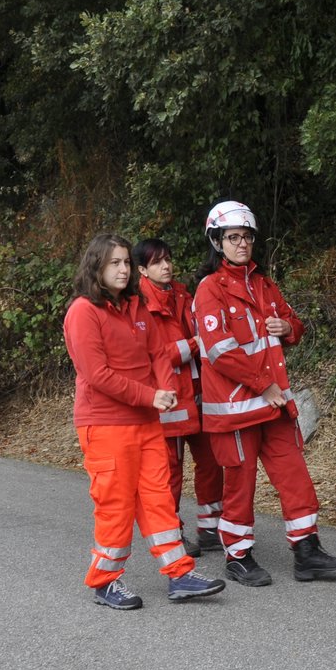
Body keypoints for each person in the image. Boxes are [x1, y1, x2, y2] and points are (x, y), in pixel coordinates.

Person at [62, 232, 226, 610]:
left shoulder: (136, 305)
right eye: (113, 263)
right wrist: (150, 395)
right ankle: (105, 581)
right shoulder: (83, 312)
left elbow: (158, 354)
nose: (122, 269)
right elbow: (97, 374)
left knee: (159, 499)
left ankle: (180, 574)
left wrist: (166, 390)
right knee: (115, 504)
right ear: (96, 267)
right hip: (105, 424)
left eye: (124, 262)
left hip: (148, 421)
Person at [192, 201, 336, 587]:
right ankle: (238, 554)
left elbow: (294, 325)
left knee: (294, 476)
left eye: (247, 237)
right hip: (238, 409)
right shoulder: (209, 289)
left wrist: (288, 328)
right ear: (217, 242)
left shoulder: (263, 284)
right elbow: (220, 351)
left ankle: (306, 551)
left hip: (274, 405)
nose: (242, 244)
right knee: (239, 485)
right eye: (233, 237)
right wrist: (264, 386)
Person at [134, 237, 225, 557]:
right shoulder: (139, 306)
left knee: (213, 462)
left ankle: (211, 529)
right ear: (142, 270)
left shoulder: (185, 294)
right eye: (157, 262)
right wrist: (196, 343)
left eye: (168, 259)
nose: (167, 266)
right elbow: (153, 356)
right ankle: (173, 533)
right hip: (171, 400)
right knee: (170, 472)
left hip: (201, 393)